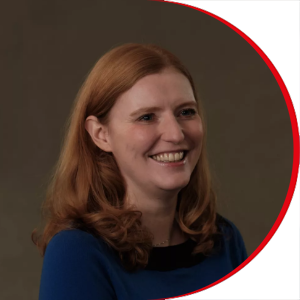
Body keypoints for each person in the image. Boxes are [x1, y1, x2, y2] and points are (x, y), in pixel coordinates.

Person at [33, 43, 247, 300]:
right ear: (101, 135)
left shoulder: (224, 240)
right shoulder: (77, 252)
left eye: (186, 112)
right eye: (146, 117)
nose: (176, 134)